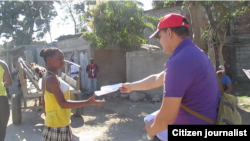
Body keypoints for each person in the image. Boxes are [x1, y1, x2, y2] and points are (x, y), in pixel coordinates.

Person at [119, 13, 220, 140]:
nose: (160, 42)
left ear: (169, 33)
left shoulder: (179, 61)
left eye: (160, 37)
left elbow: (166, 118)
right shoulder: (194, 52)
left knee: (152, 126)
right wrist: (130, 87)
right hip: (206, 121)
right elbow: (157, 79)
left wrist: (151, 129)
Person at [39, 47, 105, 141]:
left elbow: (44, 99)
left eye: (63, 58)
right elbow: (63, 104)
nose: (63, 61)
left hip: (57, 123)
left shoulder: (49, 76)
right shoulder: (51, 79)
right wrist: (88, 102)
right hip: (58, 126)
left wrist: (48, 117)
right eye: (59, 59)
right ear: (49, 60)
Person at [0, 60, 12, 141]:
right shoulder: (2, 64)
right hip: (1, 100)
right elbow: (9, 82)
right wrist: (2, 85)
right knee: (2, 128)